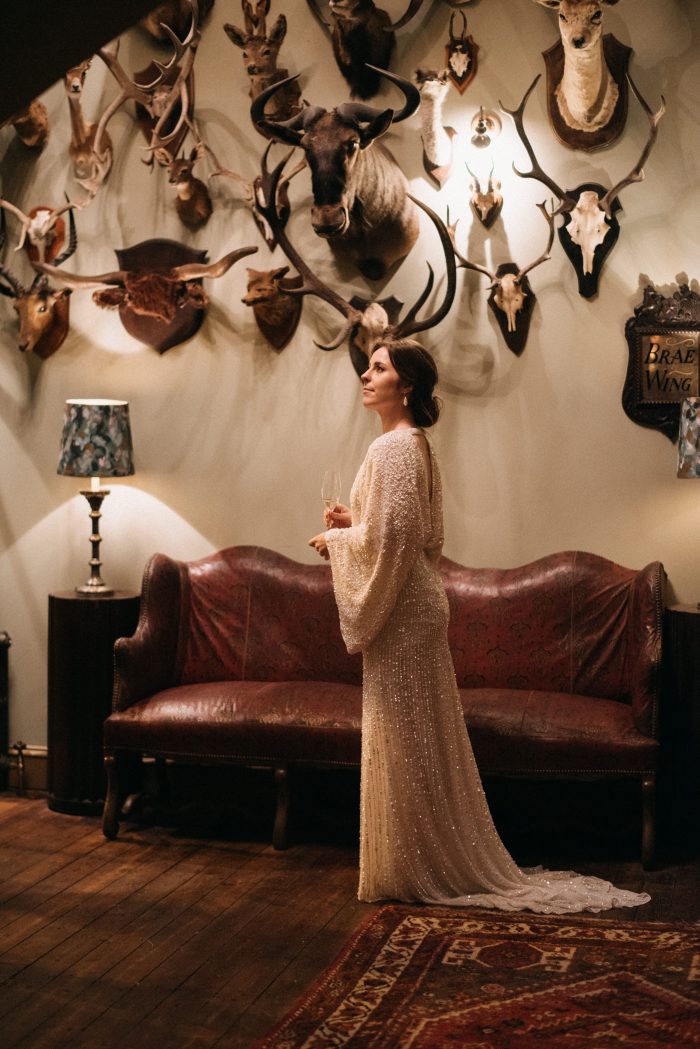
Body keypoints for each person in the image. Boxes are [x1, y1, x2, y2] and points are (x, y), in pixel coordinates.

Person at [308, 339, 650, 913]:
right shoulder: (412, 444)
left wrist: (337, 540)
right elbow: (404, 531)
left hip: (401, 613)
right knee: (415, 736)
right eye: (368, 366)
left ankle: (414, 868)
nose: (365, 375)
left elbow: (395, 540)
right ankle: (416, 860)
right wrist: (354, 522)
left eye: (379, 368)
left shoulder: (394, 448)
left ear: (407, 386)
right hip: (414, 605)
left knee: (405, 736)